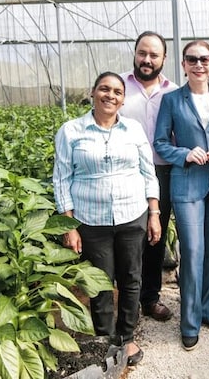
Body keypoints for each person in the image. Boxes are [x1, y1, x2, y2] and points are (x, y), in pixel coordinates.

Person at [53, 71, 161, 366]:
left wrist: (154, 212)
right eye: (104, 89)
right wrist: (69, 225)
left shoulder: (133, 129)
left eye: (116, 91)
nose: (110, 95)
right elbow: (62, 179)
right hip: (91, 220)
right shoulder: (71, 131)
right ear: (93, 92)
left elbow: (147, 172)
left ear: (123, 99)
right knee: (99, 282)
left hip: (131, 214)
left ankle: (126, 338)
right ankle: (104, 339)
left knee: (130, 278)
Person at [153, 40, 209, 351]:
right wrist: (186, 154)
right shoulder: (172, 100)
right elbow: (161, 142)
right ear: (184, 64)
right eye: (192, 59)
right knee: (192, 251)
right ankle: (189, 322)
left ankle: (207, 309)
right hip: (187, 183)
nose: (199, 64)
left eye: (204, 59)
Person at [119, 31, 177, 322]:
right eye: (142, 53)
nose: (147, 59)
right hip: (124, 171)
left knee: (156, 233)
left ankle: (150, 298)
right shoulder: (119, 86)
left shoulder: (174, 91)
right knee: (127, 235)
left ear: (164, 59)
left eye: (154, 55)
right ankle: (125, 297)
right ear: (135, 53)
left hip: (162, 171)